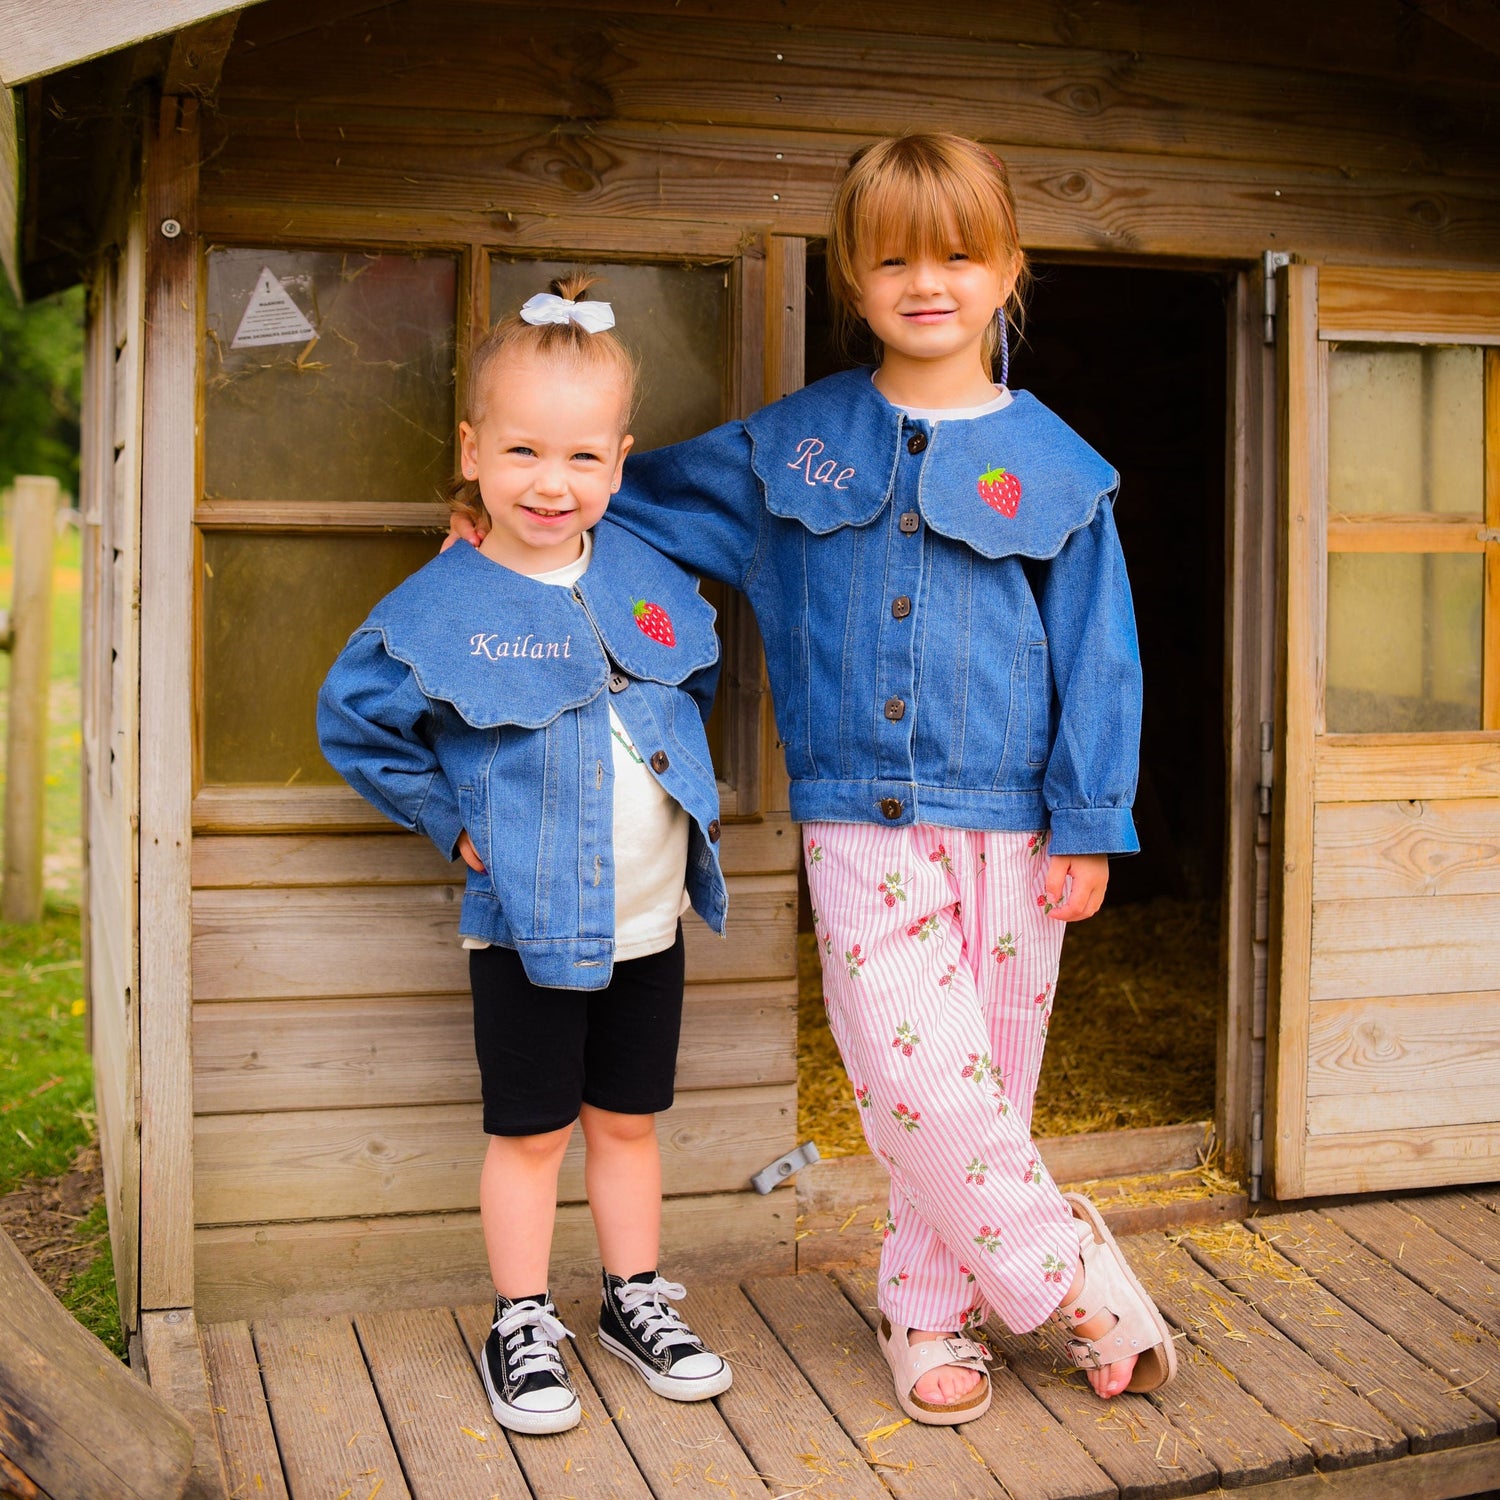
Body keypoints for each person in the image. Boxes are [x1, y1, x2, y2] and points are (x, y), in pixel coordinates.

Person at [451, 133, 1177, 1421]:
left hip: (1017, 833)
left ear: (1008, 267)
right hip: (861, 827)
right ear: (852, 274)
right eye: (893, 257)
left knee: (987, 1092)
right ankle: (1075, 1279)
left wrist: (1091, 823)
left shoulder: (1058, 468)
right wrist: (527, 518)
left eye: (958, 254)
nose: (927, 282)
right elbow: (640, 499)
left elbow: (1100, 655)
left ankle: (925, 1311)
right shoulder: (801, 447)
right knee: (914, 1079)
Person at [318, 275, 733, 1436]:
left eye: (584, 459)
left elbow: (685, 683)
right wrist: (451, 819)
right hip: (527, 924)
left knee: (630, 1119)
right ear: (472, 451)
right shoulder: (441, 603)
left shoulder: (642, 577)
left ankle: (634, 1299)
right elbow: (353, 722)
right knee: (533, 1130)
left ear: (621, 458)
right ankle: (520, 1316)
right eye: (524, 452)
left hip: (651, 917)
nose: (554, 484)